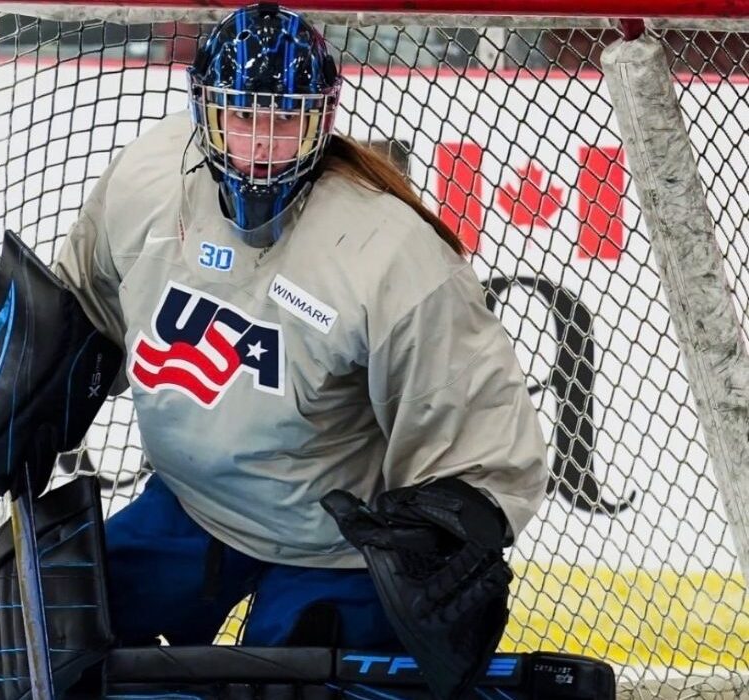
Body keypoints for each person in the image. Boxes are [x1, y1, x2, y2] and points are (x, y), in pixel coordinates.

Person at [53, 0, 547, 677]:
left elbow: (480, 439)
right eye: (241, 115)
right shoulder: (150, 177)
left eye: (286, 120)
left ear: (323, 118)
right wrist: (29, 374)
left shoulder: (389, 250)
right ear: (203, 109)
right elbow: (83, 301)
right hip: (191, 508)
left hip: (330, 548)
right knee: (38, 632)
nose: (260, 147)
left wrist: (437, 536)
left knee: (287, 690)